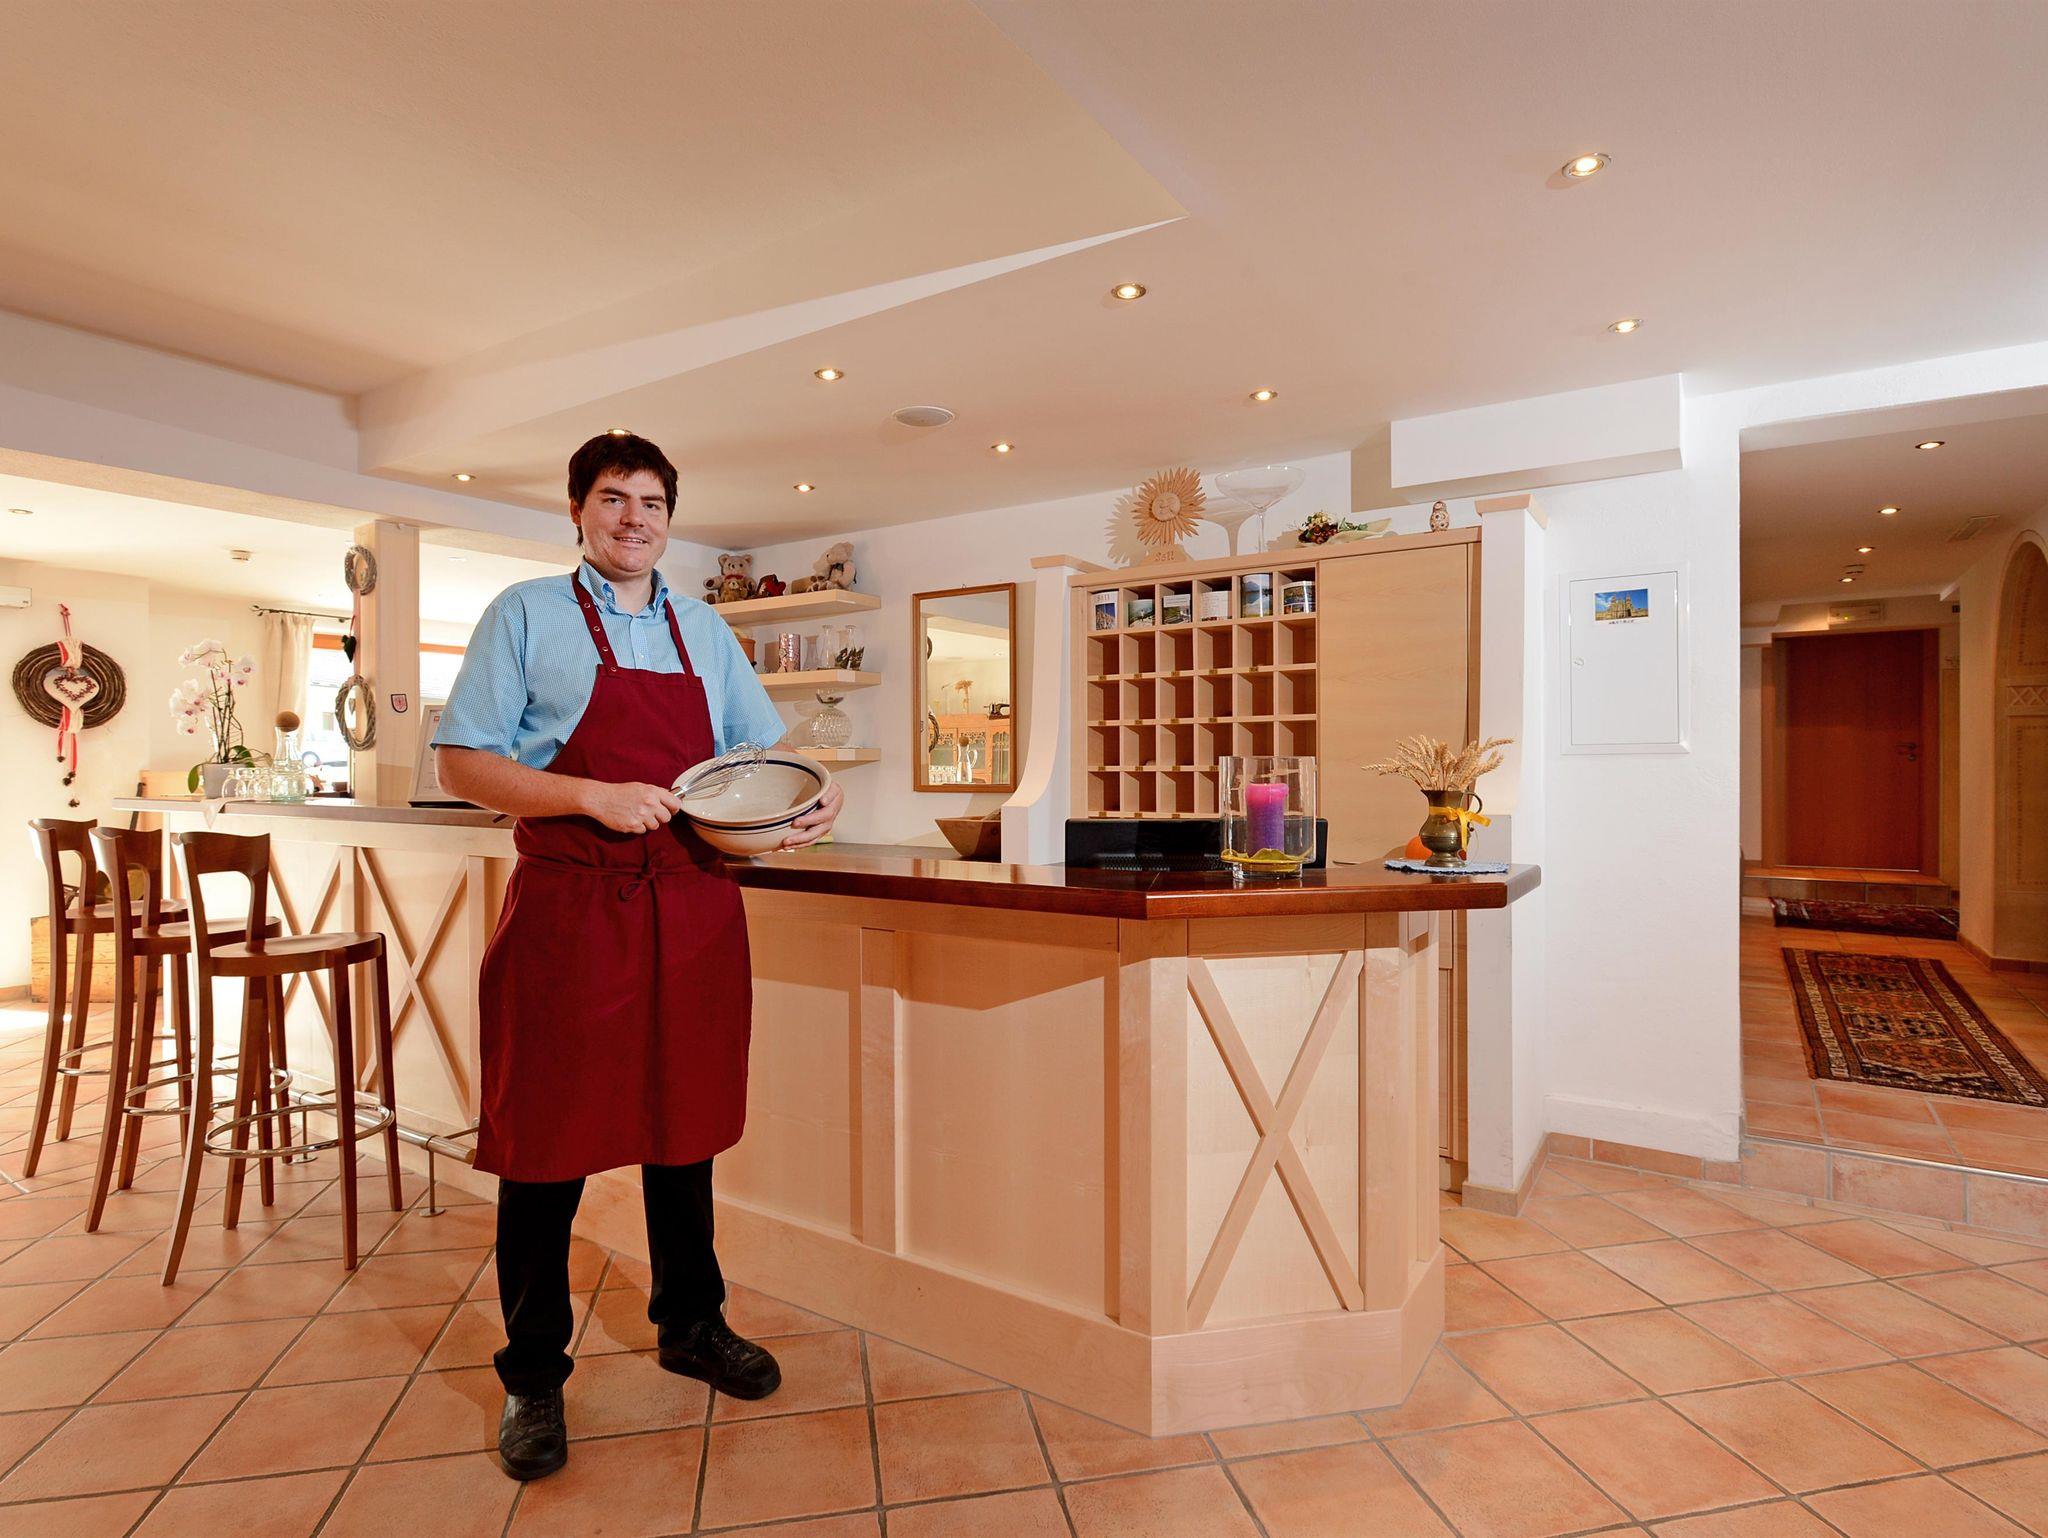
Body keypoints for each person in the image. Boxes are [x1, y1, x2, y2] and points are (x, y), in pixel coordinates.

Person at [433, 432, 842, 1481]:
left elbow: (756, 758)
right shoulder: (524, 613)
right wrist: (588, 795)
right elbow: (463, 763)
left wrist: (808, 801)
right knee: (544, 1144)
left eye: (652, 503)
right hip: (570, 910)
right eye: (613, 498)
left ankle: (690, 1323)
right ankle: (532, 1373)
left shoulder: (704, 628)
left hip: (692, 905)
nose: (634, 519)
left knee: (683, 1123)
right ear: (577, 509)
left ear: (669, 519)